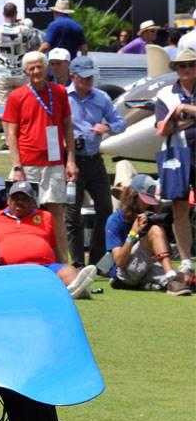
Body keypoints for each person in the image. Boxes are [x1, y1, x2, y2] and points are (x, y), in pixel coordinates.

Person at [3, 51, 77, 264]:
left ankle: (64, 264)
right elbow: (12, 134)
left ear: (46, 68)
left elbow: (67, 127)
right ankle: (25, 258)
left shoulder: (60, 92)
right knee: (23, 212)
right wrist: (17, 166)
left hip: (54, 162)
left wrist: (70, 160)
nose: (36, 71)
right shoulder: (17, 96)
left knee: (57, 215)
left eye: (40, 66)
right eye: (32, 67)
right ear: (25, 71)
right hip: (27, 163)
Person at [66, 55, 127, 268]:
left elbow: (121, 122)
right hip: (72, 161)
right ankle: (75, 262)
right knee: (72, 214)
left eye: (91, 76)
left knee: (105, 208)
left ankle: (97, 259)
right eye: (84, 77)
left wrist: (107, 128)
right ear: (73, 76)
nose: (89, 80)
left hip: (94, 159)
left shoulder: (101, 97)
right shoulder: (64, 97)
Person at [0, 181, 96, 298]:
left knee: (70, 272)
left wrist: (63, 265)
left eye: (24, 199)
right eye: (15, 198)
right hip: (9, 269)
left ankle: (76, 288)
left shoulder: (45, 216)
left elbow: (54, 246)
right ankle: (69, 290)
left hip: (44, 267)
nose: (19, 202)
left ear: (33, 202)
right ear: (8, 200)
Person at [105, 174, 191, 295]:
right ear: (133, 196)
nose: (147, 204)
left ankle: (162, 281)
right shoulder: (114, 220)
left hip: (147, 265)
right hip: (124, 274)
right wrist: (134, 232)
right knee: (155, 230)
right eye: (144, 199)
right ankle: (170, 279)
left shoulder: (148, 214)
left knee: (186, 279)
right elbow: (119, 262)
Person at [153, 47, 196, 285]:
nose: (187, 69)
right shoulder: (166, 93)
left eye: (191, 65)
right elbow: (161, 127)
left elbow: (173, 119)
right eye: (182, 66)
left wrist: (184, 110)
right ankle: (187, 261)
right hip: (177, 155)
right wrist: (177, 121)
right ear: (176, 69)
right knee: (179, 208)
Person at [0, 3, 41, 106]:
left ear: (3, 14)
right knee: (25, 105)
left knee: (4, 109)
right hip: (21, 74)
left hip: (3, 73)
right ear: (16, 14)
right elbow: (35, 45)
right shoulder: (25, 30)